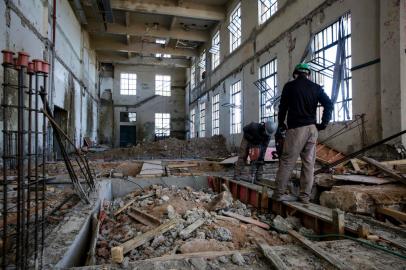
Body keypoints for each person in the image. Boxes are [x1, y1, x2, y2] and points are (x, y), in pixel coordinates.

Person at [272, 63, 333, 203]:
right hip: (312, 130)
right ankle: (304, 197)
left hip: (296, 130)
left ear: (295, 74)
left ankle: (278, 194)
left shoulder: (290, 86)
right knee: (309, 164)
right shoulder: (316, 88)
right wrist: (323, 124)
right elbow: (329, 104)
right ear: (308, 74)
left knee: (287, 162)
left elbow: (282, 108)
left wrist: (281, 124)